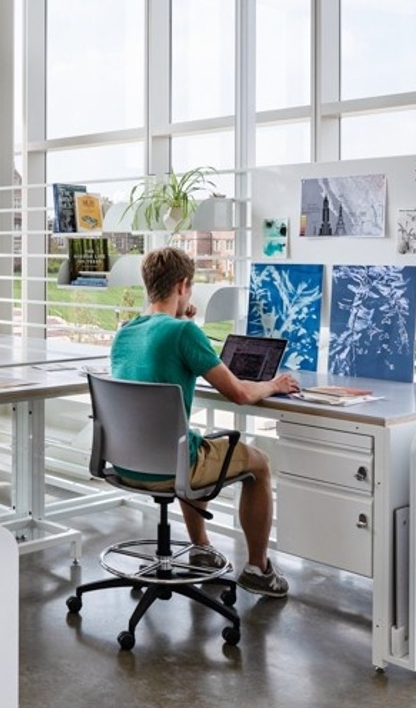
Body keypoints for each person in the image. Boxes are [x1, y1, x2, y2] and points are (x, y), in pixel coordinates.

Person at [109, 246, 301, 597]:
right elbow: (240, 393)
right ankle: (258, 568)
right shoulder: (184, 334)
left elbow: (162, 348)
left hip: (126, 462)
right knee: (258, 463)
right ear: (182, 285)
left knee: (188, 441)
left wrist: (183, 321)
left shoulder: (125, 332)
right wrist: (274, 384)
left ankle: (201, 548)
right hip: (170, 465)